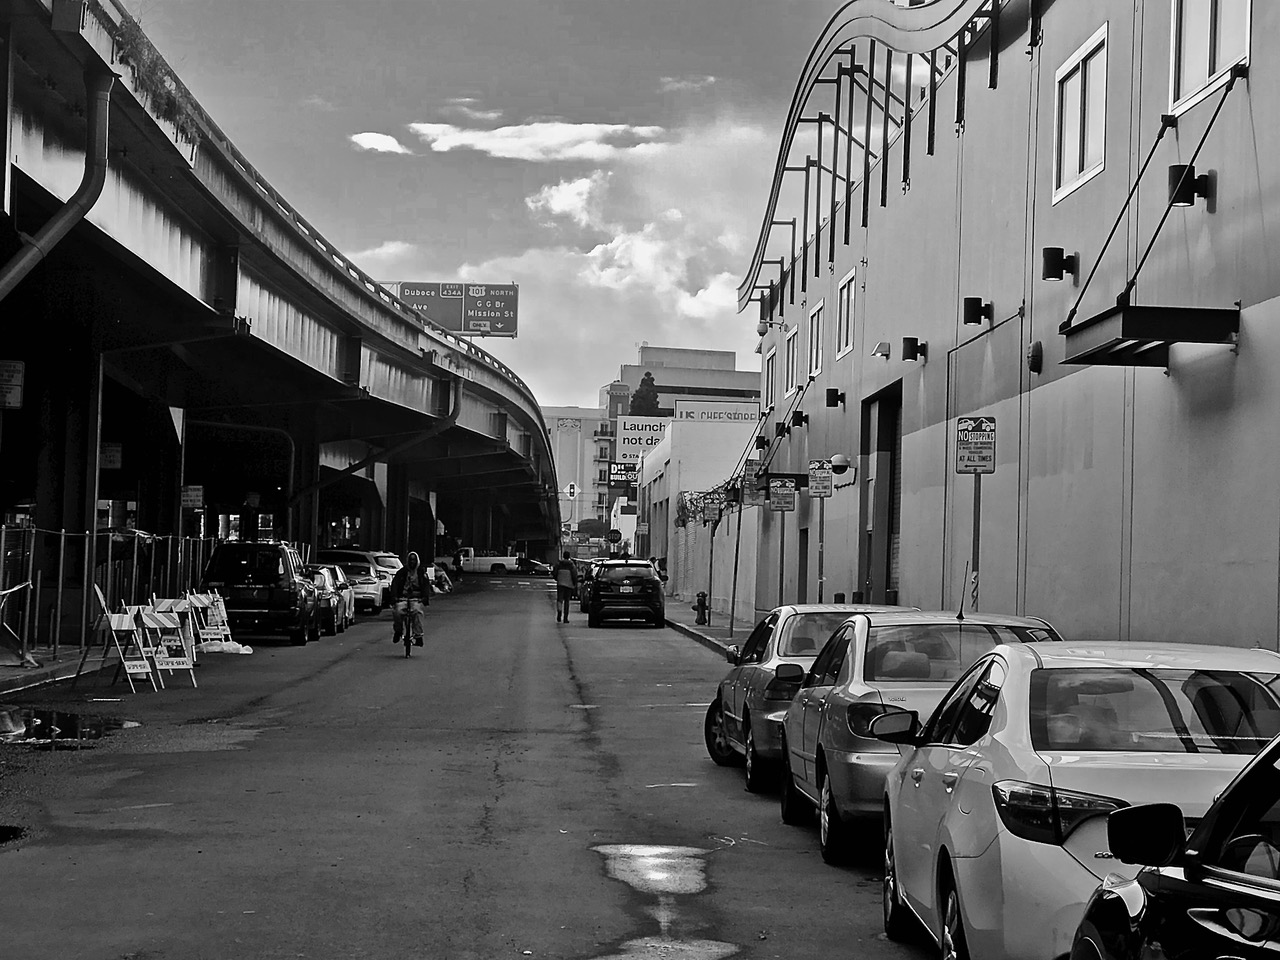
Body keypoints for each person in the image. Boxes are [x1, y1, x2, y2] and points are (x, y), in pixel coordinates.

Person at [390, 551, 431, 655]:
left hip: (416, 599)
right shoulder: (401, 572)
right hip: (402, 598)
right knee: (397, 612)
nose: (412, 562)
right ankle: (398, 631)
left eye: (414, 560)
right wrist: (394, 597)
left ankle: (418, 636)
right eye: (410, 560)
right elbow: (395, 584)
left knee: (416, 612)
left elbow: (426, 586)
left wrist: (425, 597)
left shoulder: (421, 573)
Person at [553, 551, 578, 623]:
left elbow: (555, 573)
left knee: (559, 599)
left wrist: (557, 579)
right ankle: (565, 618)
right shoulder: (571, 565)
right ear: (569, 556)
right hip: (569, 585)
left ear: (563, 556)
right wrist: (574, 583)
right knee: (567, 601)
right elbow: (574, 575)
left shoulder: (559, 564)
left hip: (560, 584)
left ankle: (559, 613)